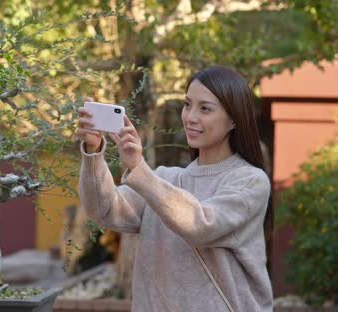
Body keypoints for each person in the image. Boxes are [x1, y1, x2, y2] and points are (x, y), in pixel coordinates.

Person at [76, 65, 273, 311]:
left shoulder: (250, 181)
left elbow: (200, 225)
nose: (190, 117)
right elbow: (103, 209)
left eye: (205, 109)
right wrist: (93, 153)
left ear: (234, 119)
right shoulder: (164, 180)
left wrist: (140, 170)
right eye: (187, 104)